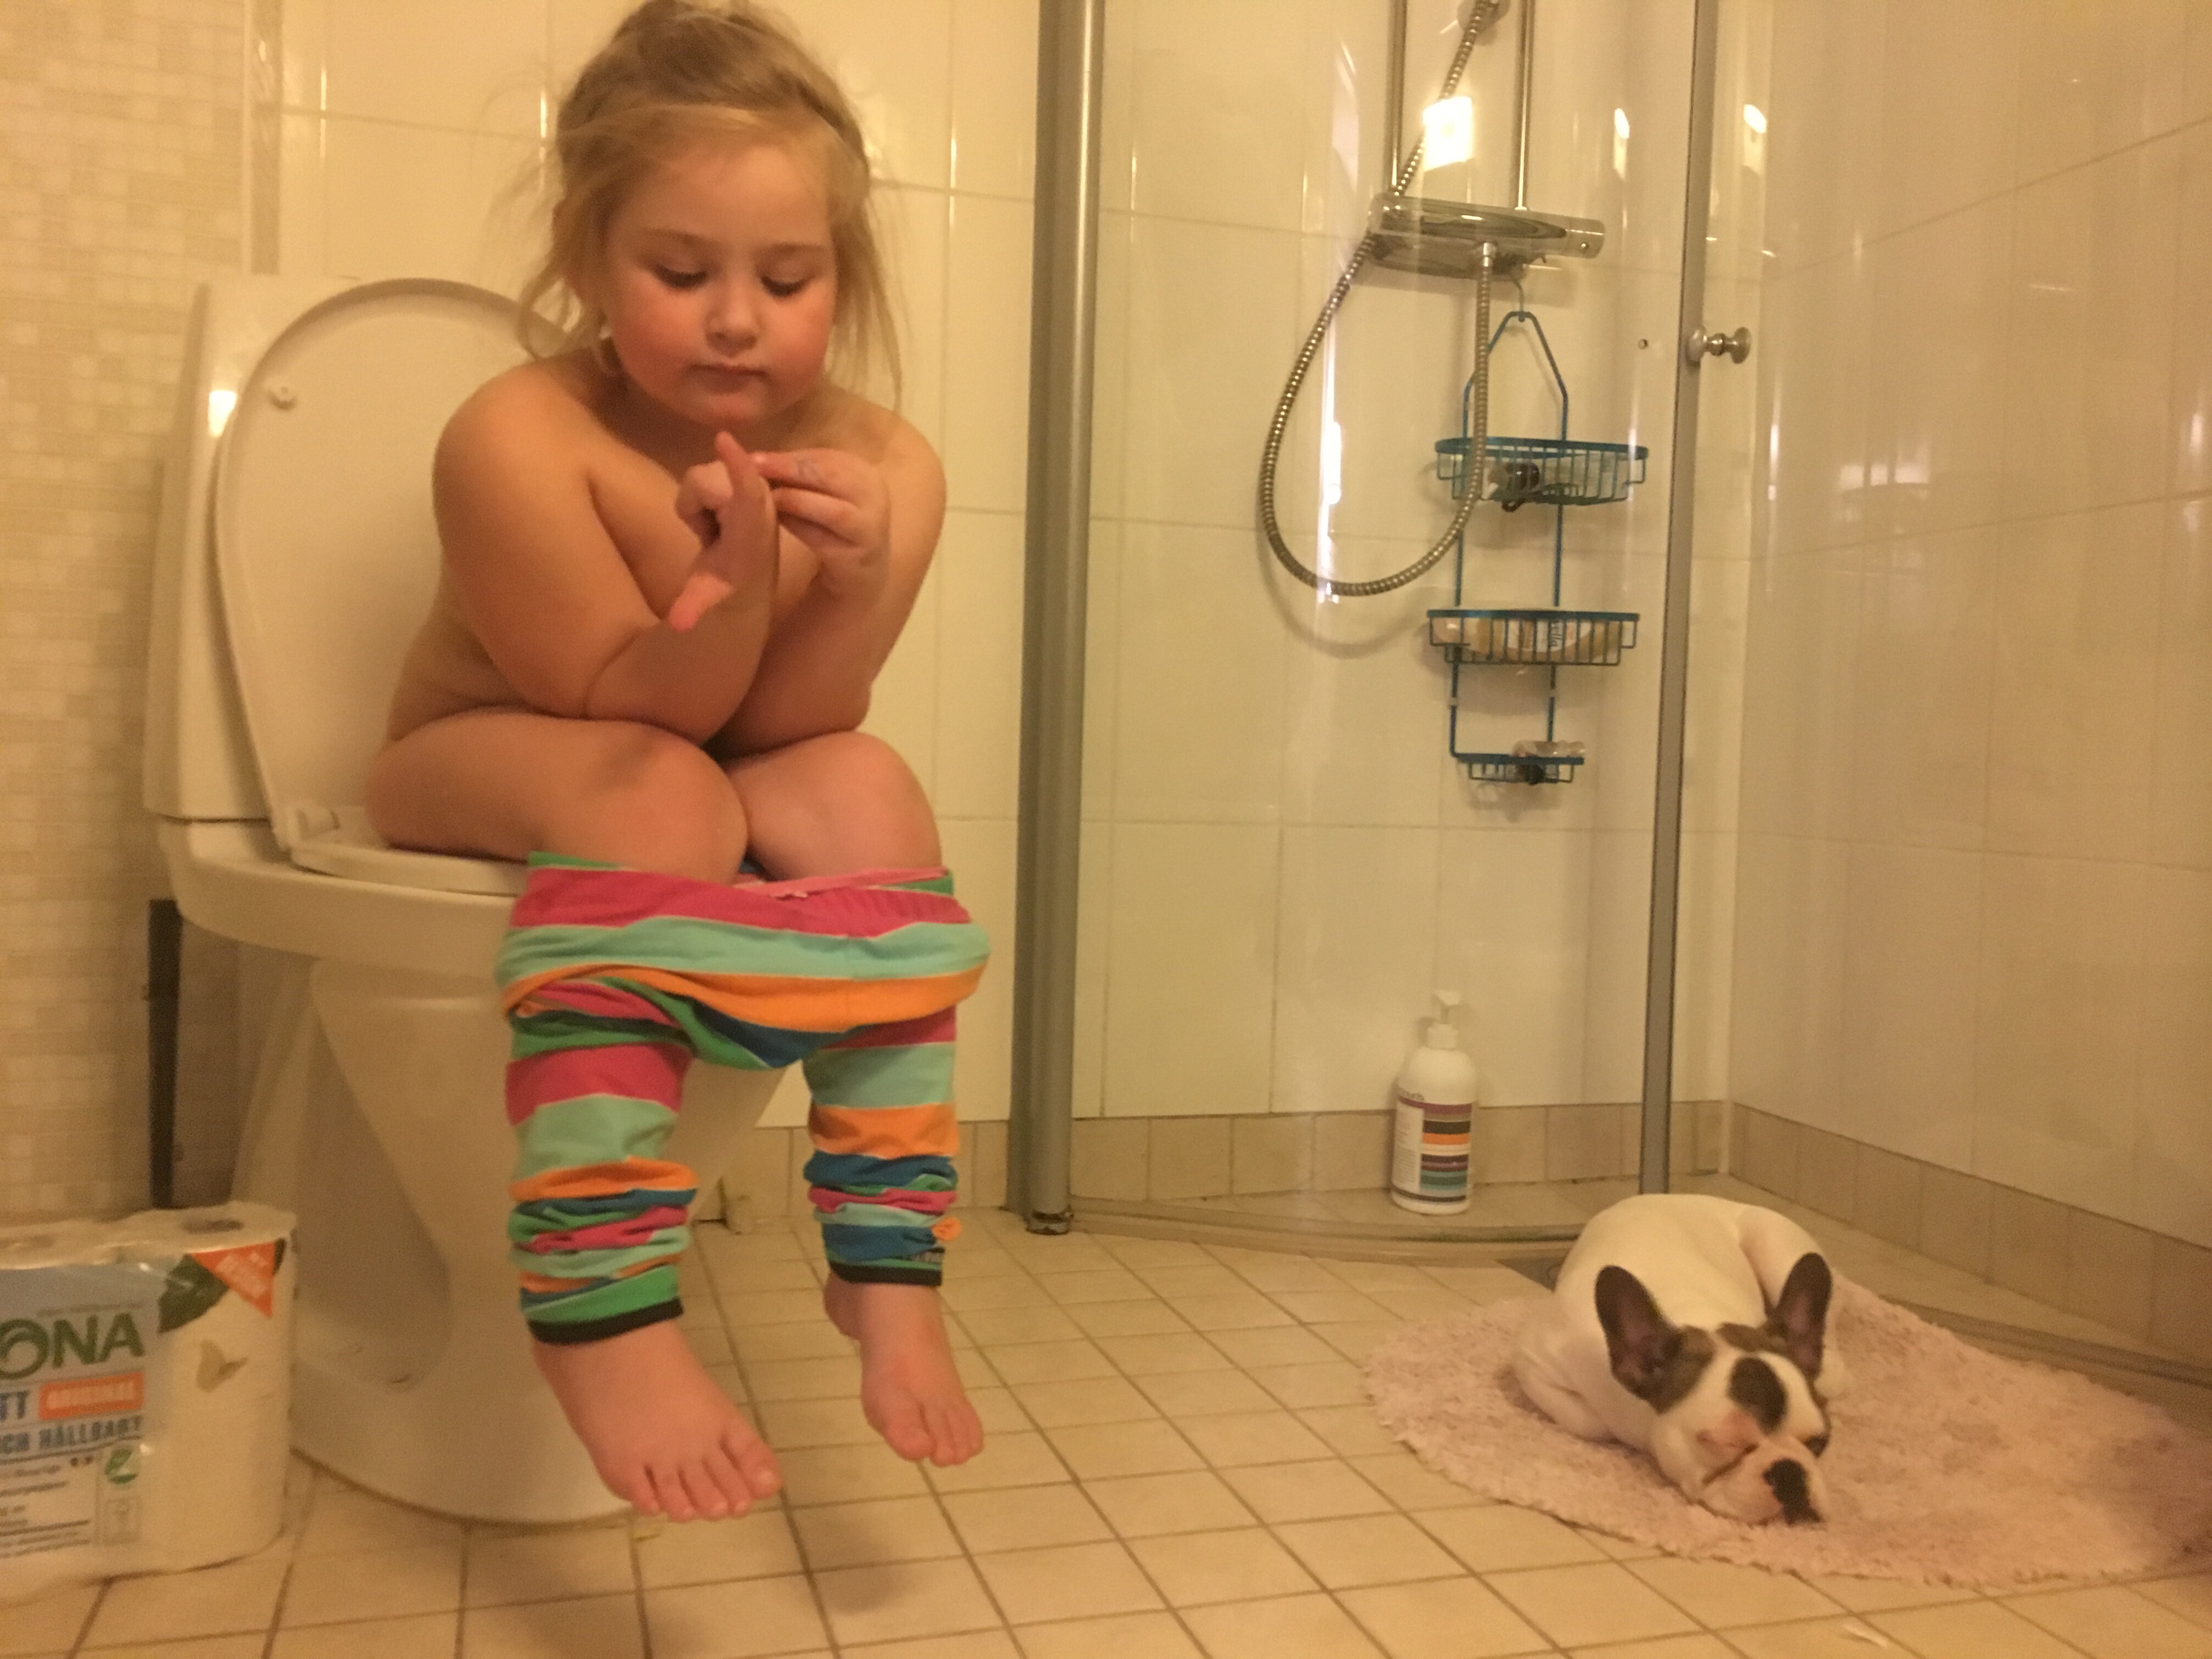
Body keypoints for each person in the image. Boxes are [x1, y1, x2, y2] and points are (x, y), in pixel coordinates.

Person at [364, 0, 983, 1523]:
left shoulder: (889, 463)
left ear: (842, 276)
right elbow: (611, 702)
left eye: (787, 278)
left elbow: (793, 727)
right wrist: (741, 580)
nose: (735, 320)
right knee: (658, 794)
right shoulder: (519, 435)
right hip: (484, 754)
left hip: (686, 765)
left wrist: (847, 581)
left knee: (868, 790)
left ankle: (888, 1254)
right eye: (681, 271)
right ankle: (598, 1295)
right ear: (588, 260)